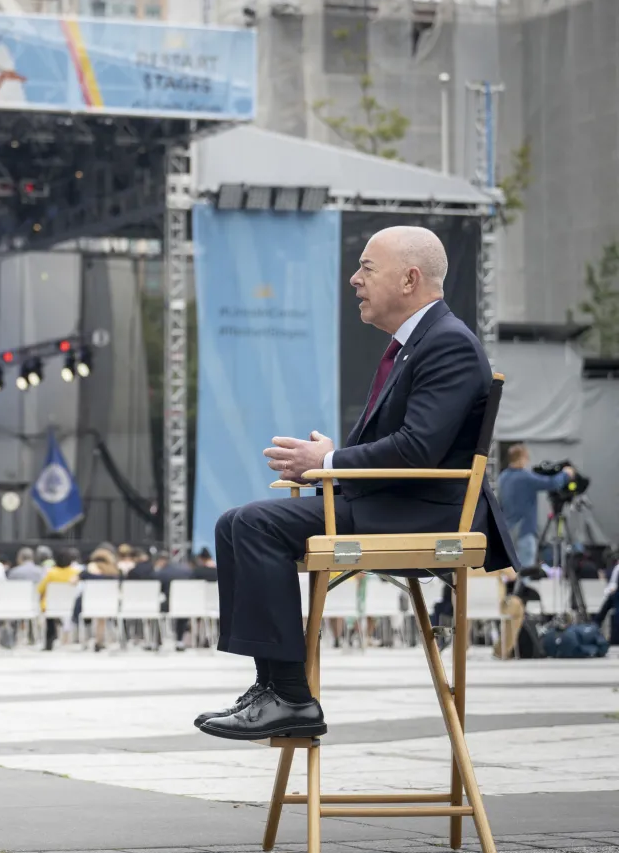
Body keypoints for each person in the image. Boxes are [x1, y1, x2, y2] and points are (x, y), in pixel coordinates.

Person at [198, 226, 516, 742]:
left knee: (254, 524)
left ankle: (290, 697)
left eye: (367, 268)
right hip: (392, 501)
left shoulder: (448, 344)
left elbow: (417, 451)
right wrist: (331, 461)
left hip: (422, 513)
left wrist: (331, 459)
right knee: (235, 522)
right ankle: (272, 689)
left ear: (410, 278)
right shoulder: (417, 343)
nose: (354, 279)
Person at [496, 444, 574, 568]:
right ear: (521, 458)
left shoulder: (502, 477)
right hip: (524, 532)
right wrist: (566, 474)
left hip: (508, 532)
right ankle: (524, 587)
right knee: (526, 570)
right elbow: (551, 483)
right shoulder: (525, 477)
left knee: (510, 570)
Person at [37, 549, 80, 650]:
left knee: (49, 615)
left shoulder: (51, 573)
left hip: (51, 606)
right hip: (72, 606)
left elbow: (40, 589)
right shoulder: (76, 573)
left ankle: (49, 641)